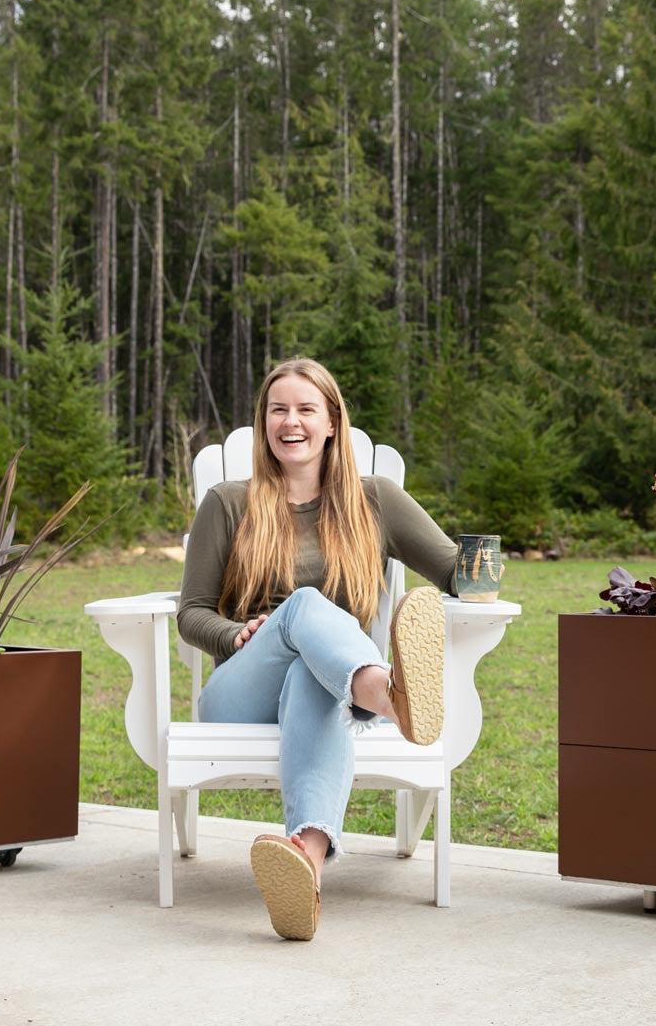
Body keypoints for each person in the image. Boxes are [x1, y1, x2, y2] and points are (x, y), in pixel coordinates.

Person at [178, 356, 460, 942]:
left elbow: (458, 572)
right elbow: (192, 612)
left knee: (313, 672)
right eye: (278, 410)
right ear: (264, 422)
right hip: (240, 692)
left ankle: (304, 865)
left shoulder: (375, 500)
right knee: (304, 606)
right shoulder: (228, 503)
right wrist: (235, 634)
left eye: (306, 409)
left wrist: (487, 564)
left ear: (333, 422)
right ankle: (390, 696)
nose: (291, 422)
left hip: (328, 686)